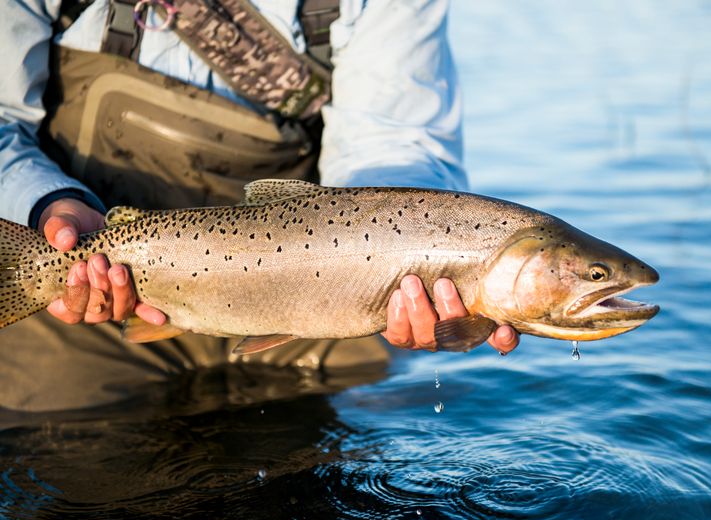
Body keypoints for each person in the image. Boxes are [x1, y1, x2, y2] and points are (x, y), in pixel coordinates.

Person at [0, 0, 518, 412]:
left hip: (315, 294)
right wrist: (51, 205)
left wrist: (412, 264)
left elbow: (392, 146)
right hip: (86, 290)